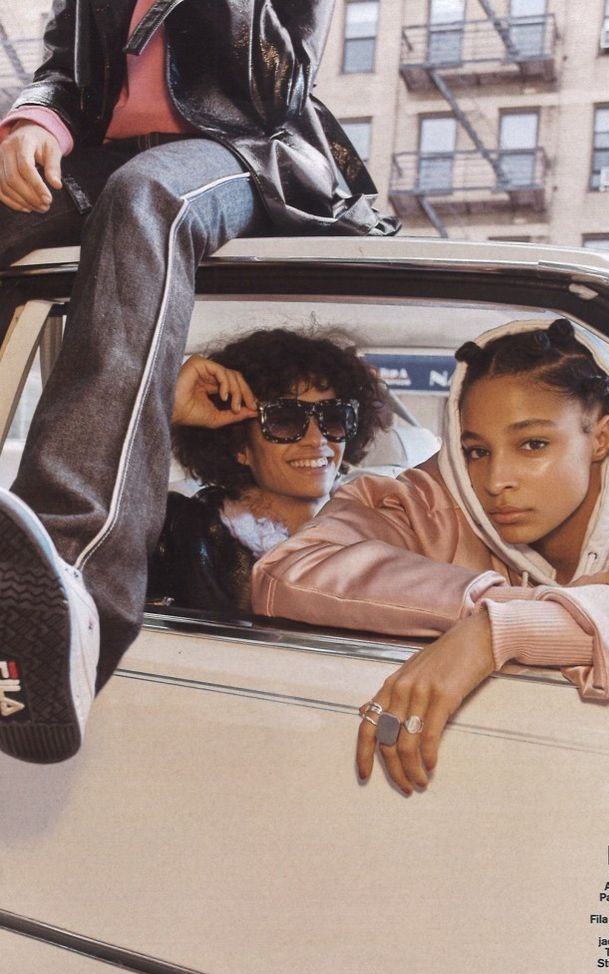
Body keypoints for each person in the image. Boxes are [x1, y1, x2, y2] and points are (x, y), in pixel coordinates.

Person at [0, 0, 398, 764]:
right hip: (105, 157)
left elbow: (270, 84)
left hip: (246, 154)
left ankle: (75, 579)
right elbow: (67, 70)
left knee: (145, 200)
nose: (315, 436)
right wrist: (35, 125)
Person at [251, 318, 609, 795]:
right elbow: (287, 571)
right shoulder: (447, 490)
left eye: (533, 444)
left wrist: (496, 632)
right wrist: (501, 604)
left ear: (601, 436)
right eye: (476, 450)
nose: (495, 479)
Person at [148, 329, 384, 614]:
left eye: (334, 418)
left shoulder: (379, 526)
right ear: (240, 446)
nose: (317, 439)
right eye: (285, 420)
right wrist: (165, 411)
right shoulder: (184, 532)